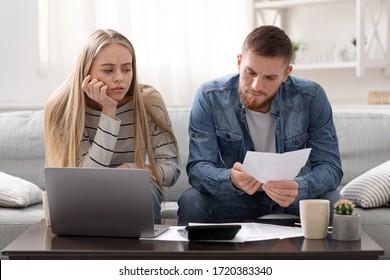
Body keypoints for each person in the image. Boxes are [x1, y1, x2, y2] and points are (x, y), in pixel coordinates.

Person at [178, 25, 343, 223]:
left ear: (286, 74)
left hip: (293, 197)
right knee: (191, 202)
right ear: (239, 62)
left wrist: (301, 186)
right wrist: (230, 179)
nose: (256, 85)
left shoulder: (311, 96)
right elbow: (197, 168)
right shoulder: (209, 96)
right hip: (237, 198)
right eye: (250, 72)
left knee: (335, 204)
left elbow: (330, 167)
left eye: (269, 78)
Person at [44, 29, 180, 219]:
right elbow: (87, 179)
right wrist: (109, 111)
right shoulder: (63, 108)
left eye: (127, 68)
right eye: (108, 70)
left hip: (137, 189)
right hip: (83, 197)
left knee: (143, 191)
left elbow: (171, 169)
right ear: (86, 72)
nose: (119, 78)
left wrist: (128, 171)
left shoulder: (149, 101)